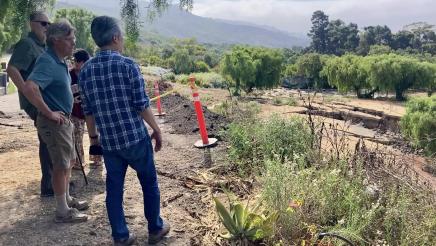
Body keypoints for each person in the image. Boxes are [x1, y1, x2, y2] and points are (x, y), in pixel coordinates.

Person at [79, 16, 170, 245]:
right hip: (135, 139)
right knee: (148, 182)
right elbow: (141, 105)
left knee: (114, 189)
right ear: (116, 37)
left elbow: (88, 110)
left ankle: (120, 236)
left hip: (109, 144)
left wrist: (93, 139)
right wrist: (157, 130)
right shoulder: (128, 65)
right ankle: (155, 229)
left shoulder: (86, 70)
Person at [22, 20, 89, 223]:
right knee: (60, 165)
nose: (73, 43)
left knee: (68, 162)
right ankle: (62, 211)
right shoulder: (47, 61)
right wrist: (49, 113)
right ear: (56, 40)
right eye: (69, 39)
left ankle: (66, 200)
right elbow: (30, 87)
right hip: (54, 122)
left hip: (64, 121)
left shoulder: (59, 61)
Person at [6, 11, 54, 197]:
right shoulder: (27, 44)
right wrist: (27, 91)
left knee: (50, 140)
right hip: (37, 102)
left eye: (49, 24)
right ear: (32, 24)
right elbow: (12, 69)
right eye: (43, 23)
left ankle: (53, 181)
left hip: (45, 100)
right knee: (48, 140)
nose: (47, 27)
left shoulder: (41, 46)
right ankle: (49, 185)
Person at [70, 49, 103, 170]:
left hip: (92, 112)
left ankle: (97, 159)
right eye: (75, 62)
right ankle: (79, 163)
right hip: (76, 112)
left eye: (78, 62)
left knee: (94, 136)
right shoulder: (69, 75)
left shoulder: (92, 75)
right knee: (77, 137)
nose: (76, 64)